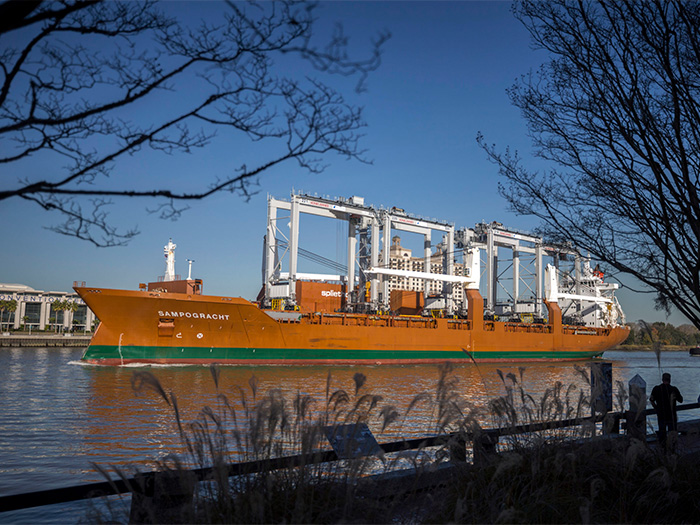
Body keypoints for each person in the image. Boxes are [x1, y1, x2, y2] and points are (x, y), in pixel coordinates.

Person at [649, 372, 683, 447]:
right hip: (671, 416)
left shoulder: (657, 389)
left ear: (662, 379)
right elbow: (681, 400)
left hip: (661, 415)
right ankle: (672, 451)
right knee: (672, 436)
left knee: (662, 435)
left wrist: (656, 407)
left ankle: (662, 450)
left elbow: (651, 399)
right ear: (670, 380)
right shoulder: (673, 389)